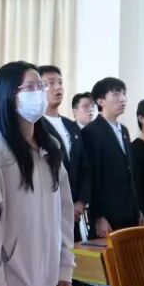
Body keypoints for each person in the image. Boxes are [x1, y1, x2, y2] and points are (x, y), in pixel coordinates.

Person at [0, 62, 74, 286]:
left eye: (41, 86)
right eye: (30, 87)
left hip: (48, 282)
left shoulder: (50, 146)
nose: (39, 93)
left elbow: (64, 214)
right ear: (9, 95)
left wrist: (65, 269)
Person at [80, 77, 144, 237]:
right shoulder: (91, 132)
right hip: (108, 216)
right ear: (100, 101)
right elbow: (93, 176)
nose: (122, 99)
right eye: (116, 94)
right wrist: (98, 216)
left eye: (124, 93)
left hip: (129, 211)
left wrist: (137, 210)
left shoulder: (124, 130)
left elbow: (129, 173)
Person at [38, 65, 88, 242]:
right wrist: (65, 206)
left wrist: (80, 202)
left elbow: (84, 165)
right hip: (49, 211)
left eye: (60, 82)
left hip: (75, 211)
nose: (58, 87)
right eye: (50, 83)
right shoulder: (35, 126)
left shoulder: (71, 125)